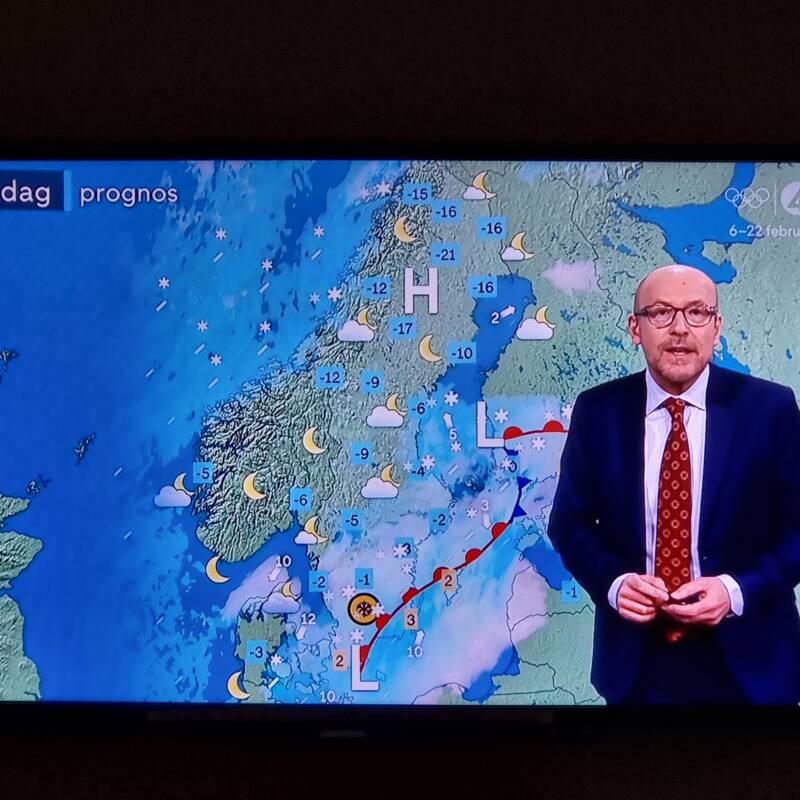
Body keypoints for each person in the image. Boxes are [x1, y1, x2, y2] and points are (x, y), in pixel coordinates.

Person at [548, 264, 800, 704]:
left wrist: (734, 591)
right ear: (636, 328)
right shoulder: (598, 411)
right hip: (637, 665)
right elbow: (569, 525)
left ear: (716, 328)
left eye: (697, 312)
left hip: (754, 666)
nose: (680, 329)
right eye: (661, 312)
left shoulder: (771, 408)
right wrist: (614, 584)